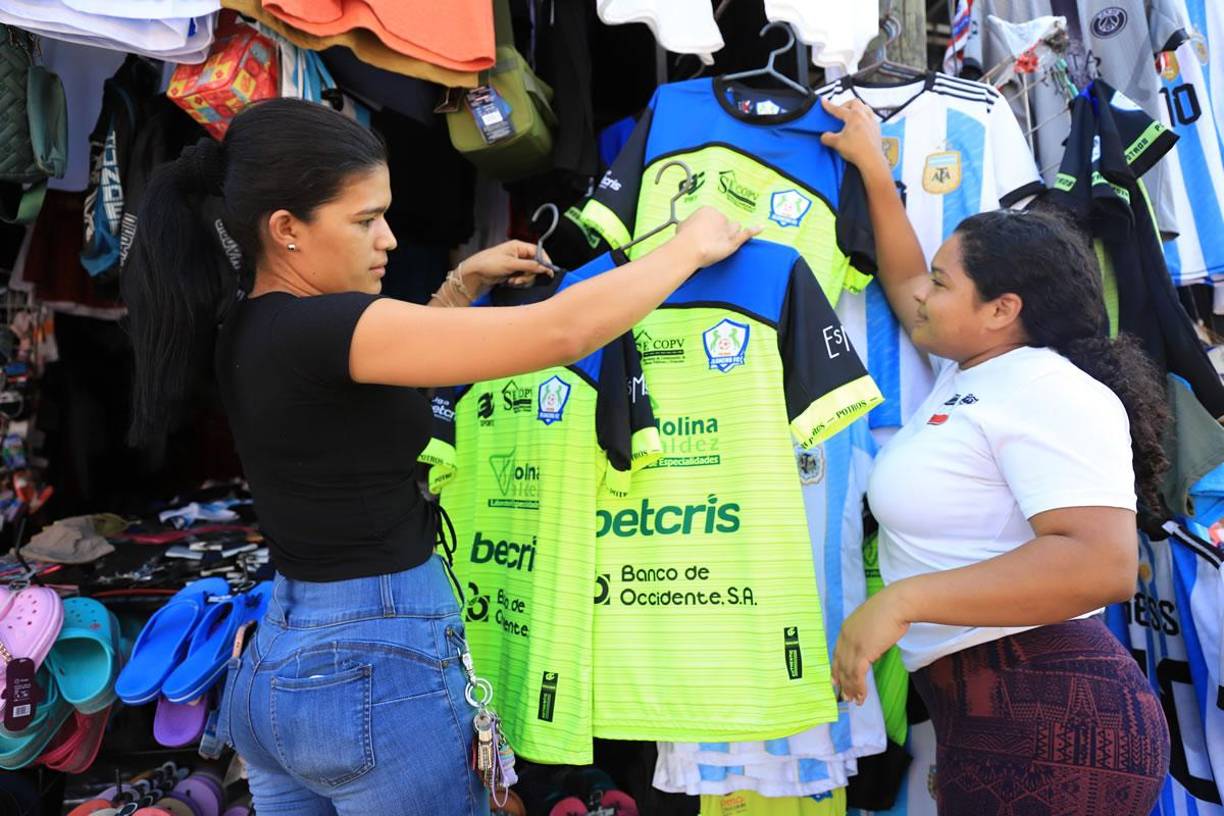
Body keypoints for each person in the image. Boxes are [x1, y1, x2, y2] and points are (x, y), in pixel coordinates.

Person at [120, 98, 756, 816]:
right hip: (373, 670)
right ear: (287, 229)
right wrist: (687, 248)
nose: (388, 238)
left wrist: (463, 285)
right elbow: (563, 332)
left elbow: (389, 366)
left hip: (279, 668)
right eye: (365, 220)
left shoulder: (252, 325)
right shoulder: (328, 328)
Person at [819, 97, 1172, 815]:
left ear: (1002, 310)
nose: (924, 294)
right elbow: (904, 282)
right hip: (997, 717)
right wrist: (873, 170)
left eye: (944, 283)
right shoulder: (974, 372)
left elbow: (1102, 564)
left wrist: (903, 602)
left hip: (1053, 724)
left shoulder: (1047, 388)